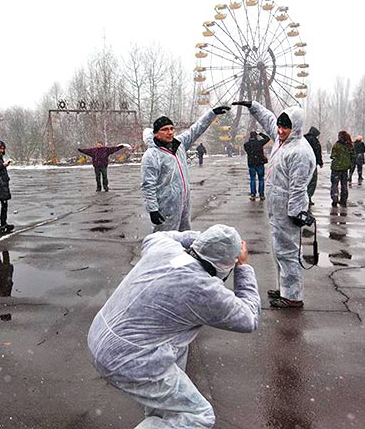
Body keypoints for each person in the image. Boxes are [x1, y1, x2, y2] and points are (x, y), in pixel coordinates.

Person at [88, 225, 260, 428]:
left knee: (171, 399)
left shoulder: (165, 249)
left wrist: (200, 238)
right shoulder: (205, 289)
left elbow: (158, 235)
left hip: (100, 335)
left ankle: (159, 421)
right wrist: (243, 267)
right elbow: (249, 318)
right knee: (198, 416)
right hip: (129, 359)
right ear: (225, 265)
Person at [233, 100, 316, 308]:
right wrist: (253, 106)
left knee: (288, 253)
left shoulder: (300, 152)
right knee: (279, 250)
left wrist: (296, 212)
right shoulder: (283, 141)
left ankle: (293, 296)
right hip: (277, 209)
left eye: (285, 127)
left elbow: (298, 187)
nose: (279, 130)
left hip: (288, 211)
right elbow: (268, 119)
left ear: (295, 127)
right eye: (280, 126)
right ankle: (285, 288)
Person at [141, 106, 230, 231]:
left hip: (184, 204)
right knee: (165, 242)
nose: (170, 132)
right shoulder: (151, 155)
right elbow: (148, 185)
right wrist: (153, 209)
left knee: (184, 238)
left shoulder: (179, 144)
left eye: (172, 129)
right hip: (166, 206)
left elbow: (196, 129)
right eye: (165, 129)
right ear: (156, 133)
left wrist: (212, 113)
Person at [243, 131, 270, 201]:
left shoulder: (246, 145)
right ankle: (261, 195)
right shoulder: (260, 143)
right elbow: (267, 138)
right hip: (260, 163)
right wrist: (260, 134)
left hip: (251, 164)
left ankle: (253, 195)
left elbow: (247, 151)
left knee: (252, 179)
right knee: (261, 179)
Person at [330, 131, 354, 207]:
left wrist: (336, 158)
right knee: (344, 185)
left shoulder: (336, 145)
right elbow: (353, 156)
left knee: (334, 184)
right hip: (345, 168)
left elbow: (332, 155)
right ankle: (343, 200)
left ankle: (335, 199)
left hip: (336, 168)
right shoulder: (349, 145)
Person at [303, 127, 324, 205]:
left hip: (303, 163)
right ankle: (308, 197)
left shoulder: (303, 139)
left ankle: (303, 197)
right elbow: (318, 152)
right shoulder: (315, 141)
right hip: (312, 163)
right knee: (312, 181)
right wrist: (320, 162)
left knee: (303, 181)